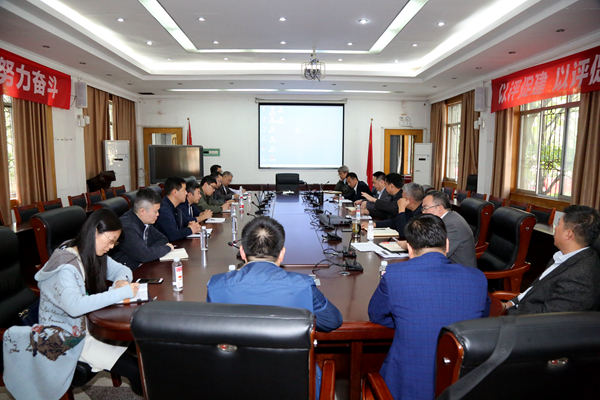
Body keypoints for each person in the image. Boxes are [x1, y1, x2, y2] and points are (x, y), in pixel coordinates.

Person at [3, 209, 143, 399]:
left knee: (142, 347)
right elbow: (75, 306)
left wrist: (121, 281)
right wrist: (120, 293)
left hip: (87, 325)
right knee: (136, 370)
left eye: (114, 242)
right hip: (65, 335)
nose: (111, 246)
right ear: (95, 232)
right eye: (110, 240)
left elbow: (122, 269)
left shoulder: (90, 253)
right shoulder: (65, 266)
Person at [368, 214, 489, 400]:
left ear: (410, 249)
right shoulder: (477, 278)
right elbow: (481, 319)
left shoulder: (394, 275)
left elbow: (376, 315)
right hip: (461, 386)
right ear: (447, 245)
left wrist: (407, 322)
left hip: (405, 388)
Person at [206, 216, 343, 333]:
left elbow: (210, 327)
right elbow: (332, 320)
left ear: (242, 252)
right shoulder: (303, 285)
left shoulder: (216, 285)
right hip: (289, 357)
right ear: (282, 254)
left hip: (235, 357)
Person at [505, 205, 600, 315]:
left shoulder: (580, 277)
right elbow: (535, 291)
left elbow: (546, 319)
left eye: (558, 224)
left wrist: (503, 313)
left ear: (568, 234)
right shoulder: (565, 256)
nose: (555, 228)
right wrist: (510, 304)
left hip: (523, 321)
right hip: (518, 310)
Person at [111, 188, 174, 271]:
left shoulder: (145, 221)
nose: (158, 214)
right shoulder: (127, 227)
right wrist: (167, 248)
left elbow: (163, 239)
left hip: (142, 268)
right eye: (155, 211)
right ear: (142, 211)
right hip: (125, 273)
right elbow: (144, 255)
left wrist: (148, 250)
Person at [421, 190, 477, 267]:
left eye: (425, 208)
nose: (423, 212)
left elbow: (437, 255)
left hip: (460, 272)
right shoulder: (448, 218)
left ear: (440, 208)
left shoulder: (451, 225)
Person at [155, 176, 202, 241]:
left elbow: (185, 220)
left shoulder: (176, 207)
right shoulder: (163, 210)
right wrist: (190, 230)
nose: (186, 193)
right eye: (184, 190)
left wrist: (192, 225)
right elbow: (173, 235)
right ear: (175, 192)